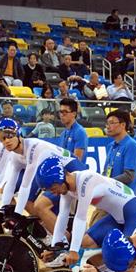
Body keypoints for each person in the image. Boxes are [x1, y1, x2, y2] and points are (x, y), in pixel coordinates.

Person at [37, 157, 136, 269]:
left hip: (134, 212)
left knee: (126, 259)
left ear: (62, 179)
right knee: (86, 243)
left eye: (53, 188)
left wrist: (74, 251)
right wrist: (55, 247)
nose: (54, 193)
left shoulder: (85, 181)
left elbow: (80, 217)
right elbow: (62, 216)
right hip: (116, 216)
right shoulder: (67, 189)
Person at [32, 97, 88, 231]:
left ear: (74, 113)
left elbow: (77, 160)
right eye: (60, 112)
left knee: (72, 217)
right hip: (61, 179)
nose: (61, 115)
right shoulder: (63, 133)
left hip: (72, 180)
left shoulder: (80, 132)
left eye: (65, 112)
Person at [102, 108, 136, 191]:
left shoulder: (131, 145)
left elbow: (129, 176)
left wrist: (107, 182)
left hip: (125, 197)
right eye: (107, 123)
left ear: (123, 125)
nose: (108, 126)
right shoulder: (111, 146)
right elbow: (106, 171)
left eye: (111, 123)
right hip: (111, 194)